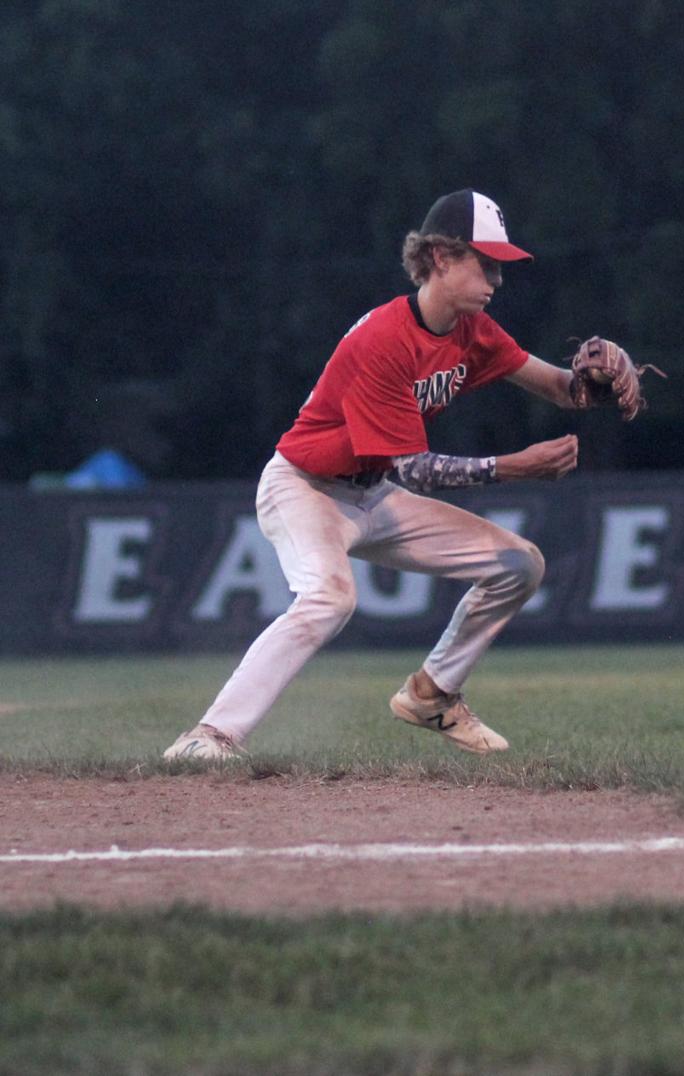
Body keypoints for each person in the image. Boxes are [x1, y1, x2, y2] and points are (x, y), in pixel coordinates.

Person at [165, 189, 645, 759]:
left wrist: (594, 382)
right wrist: (509, 469)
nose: (497, 278)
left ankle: (432, 694)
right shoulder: (384, 339)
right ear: (442, 258)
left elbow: (559, 389)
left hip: (374, 495)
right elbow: (414, 468)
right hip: (306, 488)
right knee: (329, 599)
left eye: (499, 265)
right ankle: (209, 736)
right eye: (484, 263)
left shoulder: (473, 330)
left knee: (518, 564)